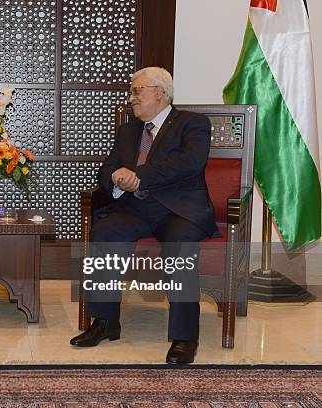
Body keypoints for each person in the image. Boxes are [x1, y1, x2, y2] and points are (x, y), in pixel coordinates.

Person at [70, 67, 217, 364]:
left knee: (180, 247)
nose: (132, 97)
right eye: (132, 92)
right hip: (135, 209)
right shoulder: (128, 130)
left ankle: (185, 336)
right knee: (104, 233)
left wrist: (138, 176)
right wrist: (116, 178)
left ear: (159, 92)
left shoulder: (192, 123)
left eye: (137, 91)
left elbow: (189, 163)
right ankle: (105, 321)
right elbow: (107, 169)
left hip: (178, 210)